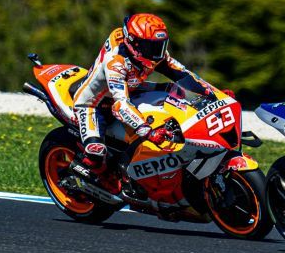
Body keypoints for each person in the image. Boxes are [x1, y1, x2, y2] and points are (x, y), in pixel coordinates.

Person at [69, 13, 215, 188]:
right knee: (96, 152)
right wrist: (148, 131)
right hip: (95, 105)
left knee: (174, 92)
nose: (157, 53)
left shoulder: (148, 53)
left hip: (130, 90)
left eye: (160, 45)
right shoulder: (116, 62)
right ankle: (90, 178)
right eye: (151, 46)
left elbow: (182, 74)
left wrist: (212, 92)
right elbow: (120, 106)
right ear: (134, 43)